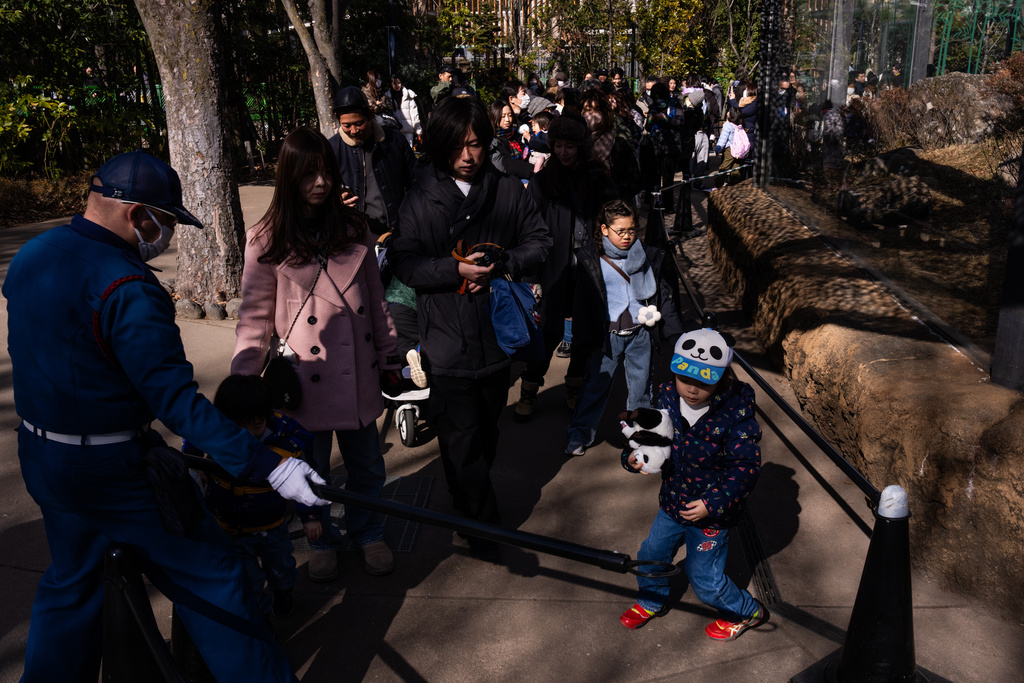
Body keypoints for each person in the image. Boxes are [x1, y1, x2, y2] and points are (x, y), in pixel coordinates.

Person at [4, 150, 324, 682]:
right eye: (168, 221)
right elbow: (175, 403)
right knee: (215, 577)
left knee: (71, 588)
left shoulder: (35, 254)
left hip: (44, 456)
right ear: (138, 214)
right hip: (114, 472)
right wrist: (269, 464)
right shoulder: (128, 288)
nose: (168, 234)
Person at [231, 127, 401, 583]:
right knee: (312, 469)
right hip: (304, 380)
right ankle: (321, 538)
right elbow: (254, 317)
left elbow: (376, 299)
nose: (320, 182)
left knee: (367, 466)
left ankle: (369, 531)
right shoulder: (265, 238)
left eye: (326, 170)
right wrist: (243, 383)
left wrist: (390, 358)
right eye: (308, 174)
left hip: (359, 374)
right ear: (290, 178)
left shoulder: (354, 227)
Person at [387, 96, 551, 558]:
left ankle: (467, 505)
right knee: (460, 441)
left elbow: (540, 242)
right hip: (445, 341)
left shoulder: (506, 190)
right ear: (440, 146)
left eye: (476, 144)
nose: (467, 155)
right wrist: (452, 271)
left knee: (486, 433)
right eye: (458, 146)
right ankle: (485, 528)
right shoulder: (420, 197)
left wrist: (504, 263)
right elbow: (403, 262)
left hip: (496, 339)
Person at [618, 324, 768, 643]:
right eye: (685, 378)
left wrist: (711, 504)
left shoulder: (735, 415)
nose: (691, 388)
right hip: (673, 502)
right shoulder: (668, 397)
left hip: (711, 515)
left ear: (721, 378)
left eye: (702, 382)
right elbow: (654, 436)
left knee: (704, 580)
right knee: (651, 553)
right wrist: (635, 457)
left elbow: (745, 468)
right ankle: (652, 599)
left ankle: (746, 611)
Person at [184, 374, 321, 619]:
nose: (254, 425)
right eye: (243, 422)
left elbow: (304, 480)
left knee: (282, 570)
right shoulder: (218, 431)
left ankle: (283, 591)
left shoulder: (288, 441)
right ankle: (263, 622)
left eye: (259, 419)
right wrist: (196, 465)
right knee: (249, 582)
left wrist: (310, 515)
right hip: (230, 527)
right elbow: (193, 437)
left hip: (272, 525)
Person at [515, 114, 618, 421]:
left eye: (569, 146)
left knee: (585, 333)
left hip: (590, 266)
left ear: (581, 147)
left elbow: (613, 215)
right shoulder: (544, 180)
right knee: (547, 332)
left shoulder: (597, 176)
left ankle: (574, 387)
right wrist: (532, 276)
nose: (563, 152)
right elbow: (529, 228)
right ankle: (529, 389)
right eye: (558, 145)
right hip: (553, 268)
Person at [565, 200, 682, 456]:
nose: (628, 236)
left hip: (641, 333)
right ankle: (579, 434)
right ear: (605, 230)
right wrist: (581, 339)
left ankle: (639, 436)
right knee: (595, 387)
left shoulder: (648, 255)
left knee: (641, 391)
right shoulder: (589, 260)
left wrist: (676, 334)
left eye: (632, 230)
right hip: (607, 337)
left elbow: (663, 296)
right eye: (621, 231)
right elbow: (581, 304)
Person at [329, 86, 417, 236]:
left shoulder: (394, 140)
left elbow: (416, 182)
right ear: (338, 119)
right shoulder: (331, 149)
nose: (354, 131)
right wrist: (336, 203)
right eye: (346, 125)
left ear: (370, 114)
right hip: (353, 232)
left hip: (397, 229)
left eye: (358, 123)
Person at [580, 89, 641, 205]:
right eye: (587, 110)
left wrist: (617, 199)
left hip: (613, 209)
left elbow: (634, 181)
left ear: (605, 113)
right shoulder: (575, 144)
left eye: (597, 110)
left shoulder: (618, 144)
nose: (591, 115)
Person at [488, 99, 542, 180]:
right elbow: (506, 164)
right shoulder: (493, 141)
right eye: (503, 116)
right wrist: (532, 170)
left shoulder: (518, 134)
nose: (507, 119)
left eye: (510, 115)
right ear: (495, 117)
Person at [386, 74, 423, 147]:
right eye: (394, 83)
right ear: (391, 84)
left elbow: (414, 114)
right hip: (394, 131)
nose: (397, 86)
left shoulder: (409, 95)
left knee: (409, 153)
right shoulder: (387, 97)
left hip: (408, 131)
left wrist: (418, 130)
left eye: (399, 83)